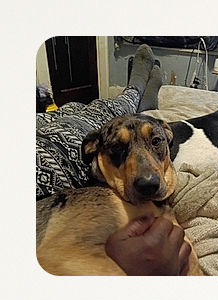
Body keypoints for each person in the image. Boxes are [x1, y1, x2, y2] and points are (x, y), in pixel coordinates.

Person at [37, 43, 192, 275]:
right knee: (114, 107)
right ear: (94, 151)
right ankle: (140, 89)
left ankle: (138, 89)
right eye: (119, 148)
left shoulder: (162, 134)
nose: (147, 176)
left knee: (115, 106)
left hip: (59, 122)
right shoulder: (95, 150)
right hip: (69, 141)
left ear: (167, 138)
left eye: (157, 141)